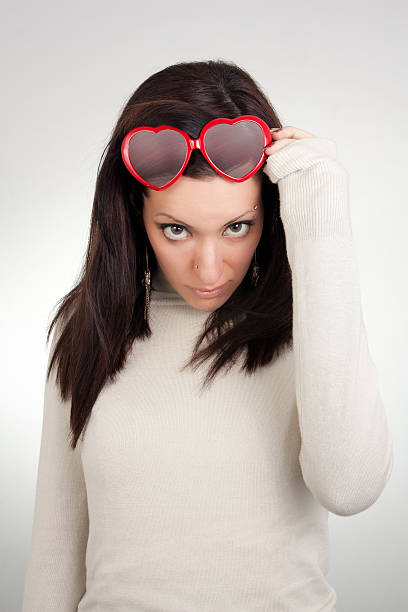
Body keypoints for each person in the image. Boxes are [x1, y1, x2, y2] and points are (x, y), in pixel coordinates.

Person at [21, 59, 394, 612]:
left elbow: (350, 488)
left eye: (237, 227)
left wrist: (321, 216)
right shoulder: (89, 331)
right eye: (176, 230)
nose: (211, 269)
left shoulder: (311, 328)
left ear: (269, 214)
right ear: (132, 213)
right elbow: (56, 551)